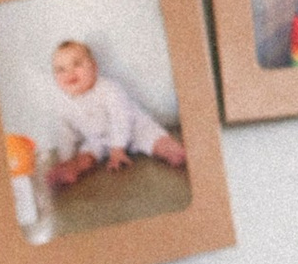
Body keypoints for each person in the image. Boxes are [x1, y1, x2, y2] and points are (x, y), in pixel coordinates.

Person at [43, 39, 189, 191]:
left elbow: (120, 118)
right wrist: (66, 159)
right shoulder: (63, 104)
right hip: (99, 139)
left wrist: (118, 148)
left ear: (94, 67)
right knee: (86, 155)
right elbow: (65, 133)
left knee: (155, 139)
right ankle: (70, 170)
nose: (70, 72)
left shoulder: (108, 89)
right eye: (61, 69)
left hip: (134, 129)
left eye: (77, 64)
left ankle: (175, 152)